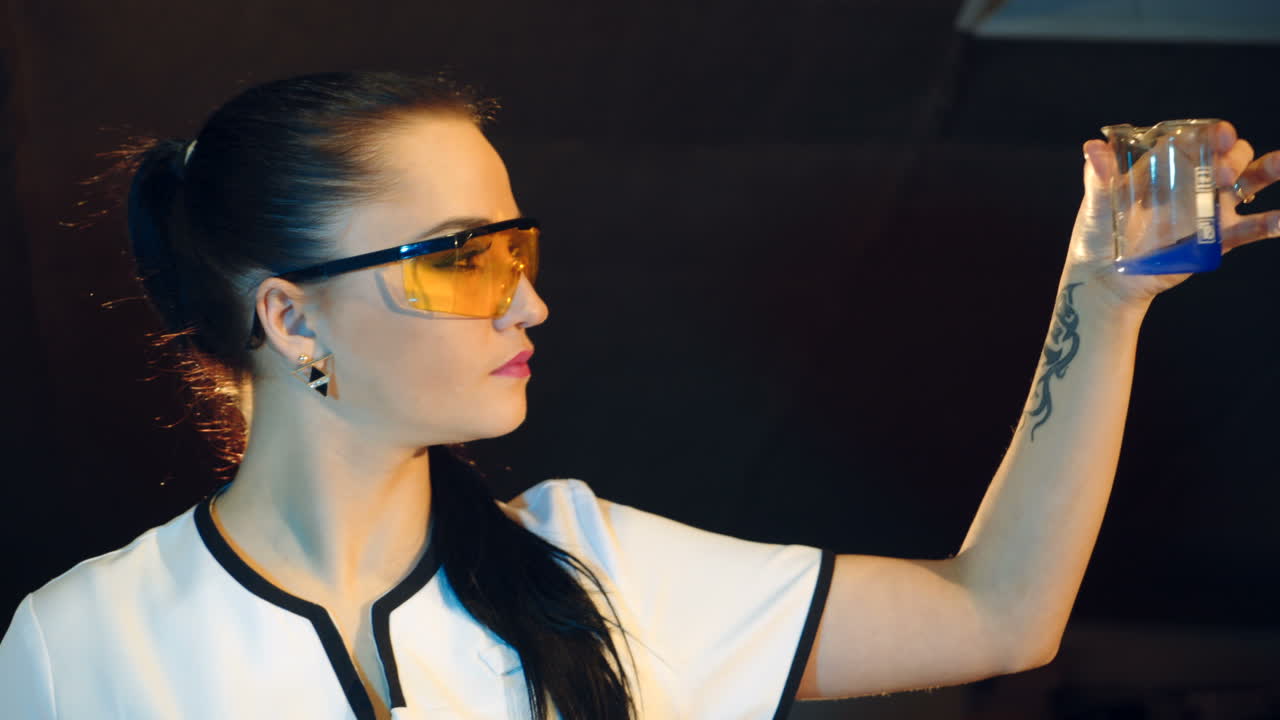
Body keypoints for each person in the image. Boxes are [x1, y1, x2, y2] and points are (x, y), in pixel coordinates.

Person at [1, 71, 1277, 720]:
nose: (526, 303)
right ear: (289, 316)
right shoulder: (78, 648)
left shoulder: (589, 568)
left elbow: (998, 615)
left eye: (518, 249)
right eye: (458, 259)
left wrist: (1098, 299)